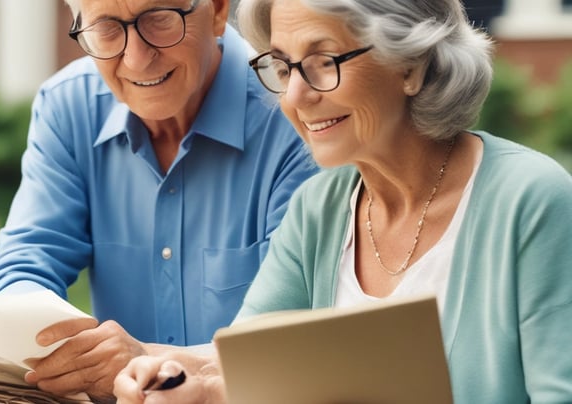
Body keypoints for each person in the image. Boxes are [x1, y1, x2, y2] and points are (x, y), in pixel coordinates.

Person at [113, 0, 572, 402]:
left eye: (324, 61)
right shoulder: (318, 207)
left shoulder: (530, 200)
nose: (296, 96)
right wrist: (194, 388)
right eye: (283, 68)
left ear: (410, 66)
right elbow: (249, 367)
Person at [0, 0, 317, 400]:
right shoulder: (68, 106)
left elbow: (298, 334)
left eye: (160, 20)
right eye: (106, 28)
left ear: (218, 10)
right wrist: (40, 333)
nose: (136, 59)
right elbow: (27, 259)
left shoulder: (297, 112)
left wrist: (148, 362)